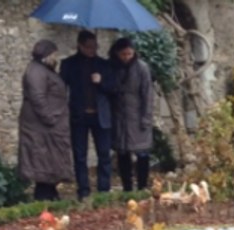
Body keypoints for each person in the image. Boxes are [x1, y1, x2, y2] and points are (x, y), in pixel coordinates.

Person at [60, 30, 117, 200]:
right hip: (79, 115)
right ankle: (83, 190)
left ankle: (104, 189)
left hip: (101, 116)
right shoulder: (68, 64)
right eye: (88, 47)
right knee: (80, 155)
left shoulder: (104, 65)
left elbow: (114, 89)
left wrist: (101, 82)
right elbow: (61, 88)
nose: (92, 50)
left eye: (95, 47)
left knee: (104, 154)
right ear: (80, 45)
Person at [18, 40, 73, 201]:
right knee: (42, 160)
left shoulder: (43, 70)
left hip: (49, 125)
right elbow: (38, 97)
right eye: (54, 55)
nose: (56, 58)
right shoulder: (36, 72)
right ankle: (43, 194)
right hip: (41, 125)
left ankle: (50, 192)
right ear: (47, 55)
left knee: (50, 160)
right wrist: (49, 117)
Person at [109, 37, 154, 191]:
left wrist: (146, 118)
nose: (127, 57)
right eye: (123, 54)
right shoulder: (113, 68)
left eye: (129, 54)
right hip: (120, 117)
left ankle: (142, 185)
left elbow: (147, 94)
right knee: (123, 153)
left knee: (142, 153)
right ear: (117, 54)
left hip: (138, 115)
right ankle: (127, 187)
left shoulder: (142, 68)